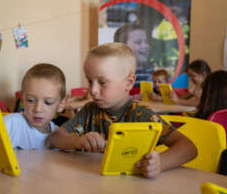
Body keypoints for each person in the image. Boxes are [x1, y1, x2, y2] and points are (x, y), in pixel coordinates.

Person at [48, 42, 197, 178]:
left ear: (129, 83)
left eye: (102, 82)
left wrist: (161, 163)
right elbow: (55, 138)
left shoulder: (141, 115)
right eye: (89, 80)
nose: (92, 90)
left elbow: (189, 147)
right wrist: (78, 141)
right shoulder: (89, 111)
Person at [0, 63, 66, 155]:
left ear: (61, 104)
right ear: (22, 101)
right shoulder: (11, 123)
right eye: (30, 100)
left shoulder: (59, 135)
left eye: (48, 102)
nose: (37, 109)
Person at [114, 23, 152, 88]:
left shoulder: (149, 71)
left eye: (146, 42)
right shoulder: (116, 74)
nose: (145, 46)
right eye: (138, 42)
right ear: (123, 47)